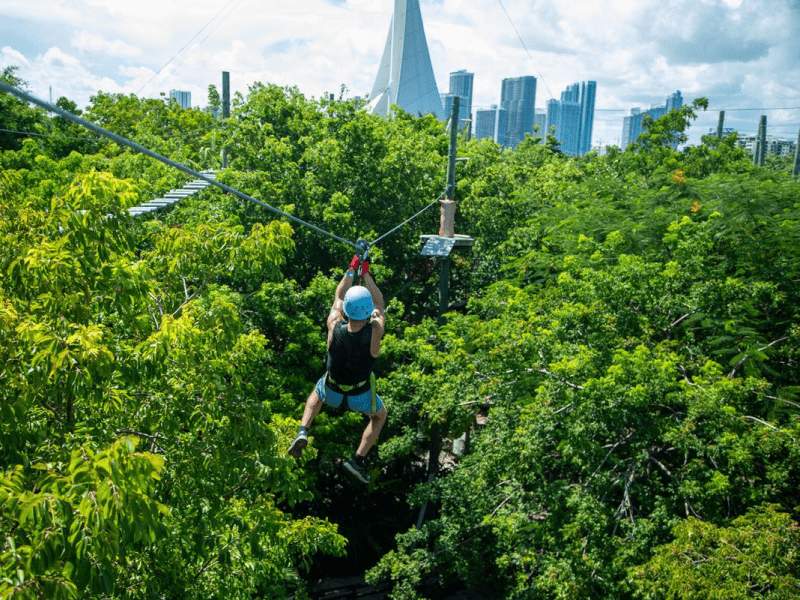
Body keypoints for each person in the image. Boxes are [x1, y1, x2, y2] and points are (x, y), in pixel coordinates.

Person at [287, 252, 388, 484]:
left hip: (332, 391)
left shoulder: (334, 326)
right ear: (367, 311)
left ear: (347, 311)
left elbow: (339, 295)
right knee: (380, 416)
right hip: (360, 395)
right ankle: (358, 459)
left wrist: (352, 270)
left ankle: (303, 430)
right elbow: (380, 304)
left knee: (316, 393)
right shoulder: (375, 331)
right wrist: (367, 274)